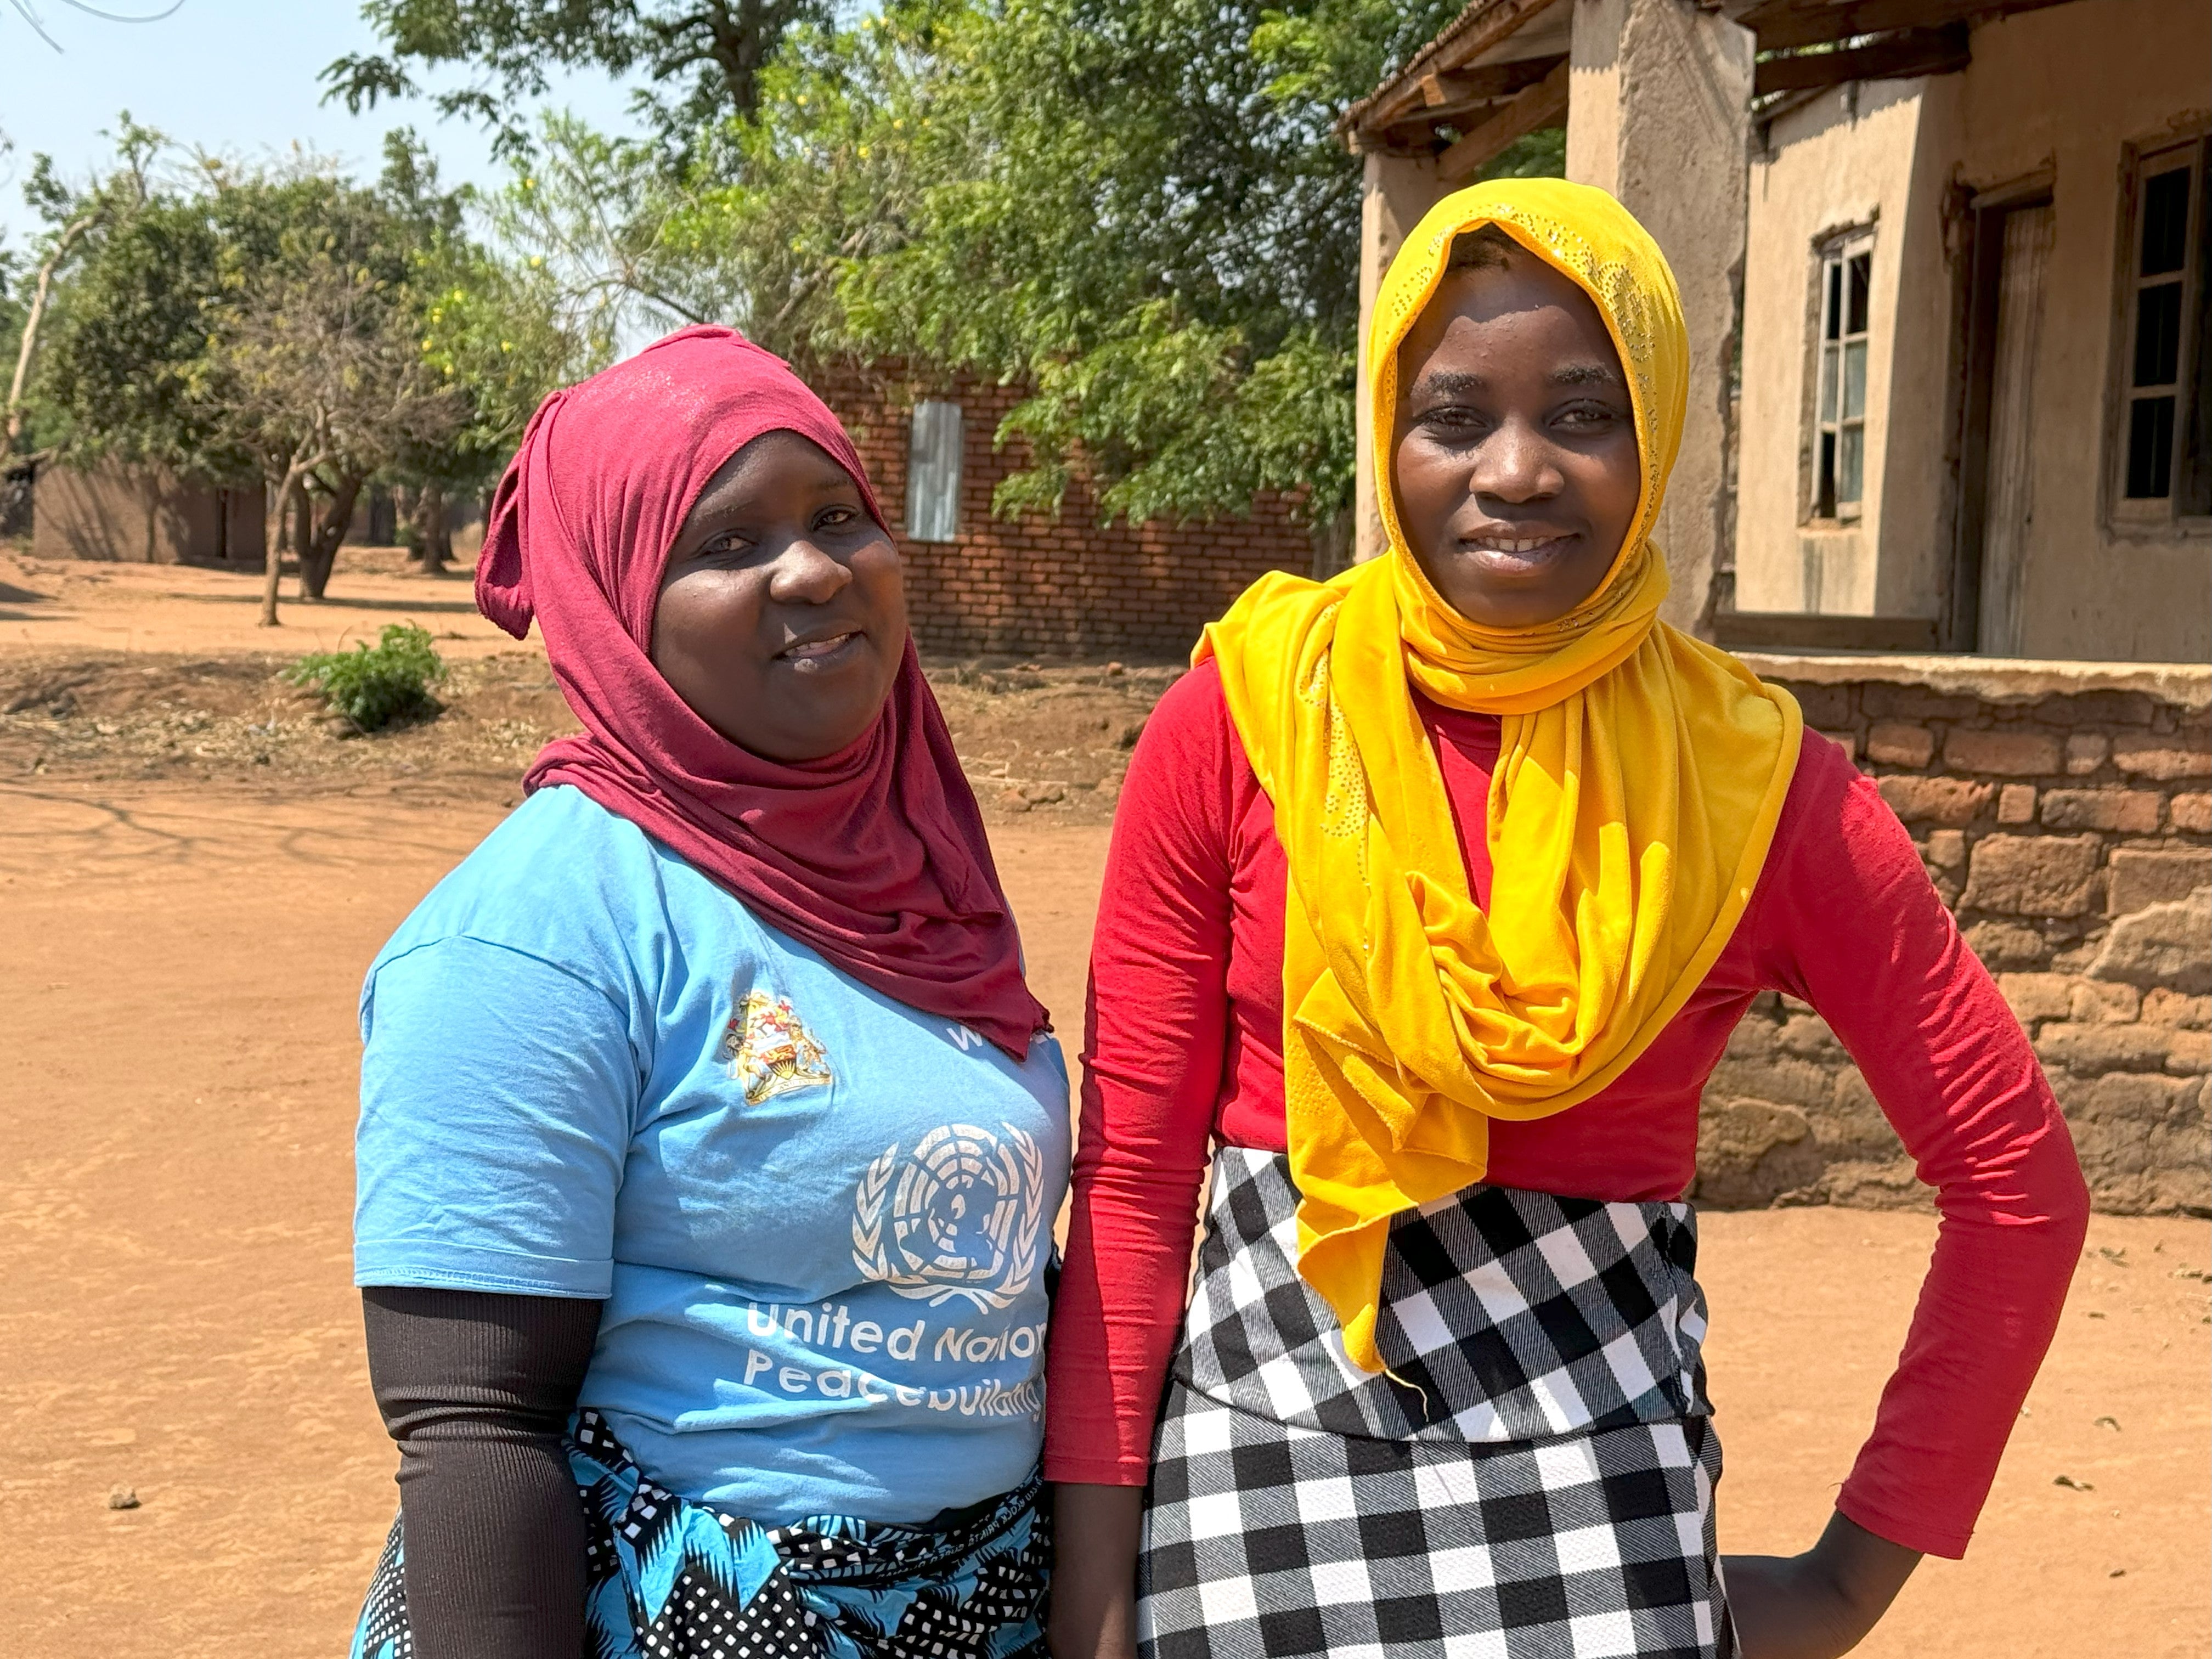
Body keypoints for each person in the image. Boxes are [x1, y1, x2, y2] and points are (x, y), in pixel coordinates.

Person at [1044, 180, 2089, 1659]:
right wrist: (1096, 1603)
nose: (1516, 471)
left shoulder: (1758, 786)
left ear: (1656, 432)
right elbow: (1139, 1178)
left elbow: (2018, 1190)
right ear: (1386, 433)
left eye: (1585, 415)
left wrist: (1850, 1582)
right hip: (1249, 1492)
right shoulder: (1249, 719)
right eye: (1455, 416)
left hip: (1598, 1514)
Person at [347, 326, 1068, 1659]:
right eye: (727, 545)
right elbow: (476, 1429)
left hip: (985, 1597)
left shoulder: (912, 875)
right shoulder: (533, 938)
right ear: (620, 602)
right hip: (692, 1609)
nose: (811, 569)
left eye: (839, 515)